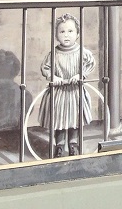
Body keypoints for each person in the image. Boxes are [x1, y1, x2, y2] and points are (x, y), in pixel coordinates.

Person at [39, 14, 96, 158]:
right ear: (56, 35)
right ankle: (59, 145)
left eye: (70, 31)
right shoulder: (54, 54)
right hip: (59, 93)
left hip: (74, 92)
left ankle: (73, 144)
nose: (66, 35)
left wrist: (80, 75)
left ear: (77, 34)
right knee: (59, 121)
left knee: (74, 120)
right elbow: (46, 68)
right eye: (62, 32)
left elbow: (90, 63)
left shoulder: (82, 52)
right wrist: (54, 77)